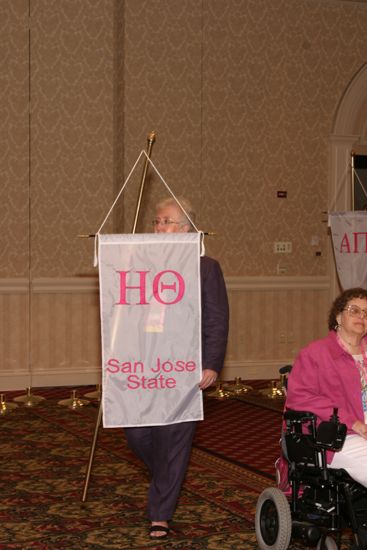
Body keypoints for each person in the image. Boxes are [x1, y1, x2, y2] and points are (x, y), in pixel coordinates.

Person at [124, 197, 229, 539]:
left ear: (186, 229)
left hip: (183, 366)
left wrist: (212, 363)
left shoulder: (205, 267)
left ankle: (160, 514)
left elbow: (216, 318)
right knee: (137, 433)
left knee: (172, 437)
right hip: (144, 365)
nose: (158, 227)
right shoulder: (138, 263)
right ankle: (169, 475)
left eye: (166, 221)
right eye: (156, 221)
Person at [285, 287, 367, 487]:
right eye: (354, 310)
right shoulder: (316, 354)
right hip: (337, 435)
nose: (361, 316)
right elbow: (300, 397)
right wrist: (352, 422)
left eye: (366, 313)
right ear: (338, 317)